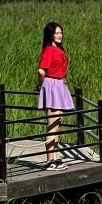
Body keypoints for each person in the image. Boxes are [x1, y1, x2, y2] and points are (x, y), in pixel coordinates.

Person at [36, 21, 74, 169]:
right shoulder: (49, 50)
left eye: (61, 33)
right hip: (52, 85)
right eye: (56, 33)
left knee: (57, 125)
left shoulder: (58, 50)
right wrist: (42, 84)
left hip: (59, 84)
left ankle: (55, 158)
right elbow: (41, 70)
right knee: (52, 125)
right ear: (50, 35)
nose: (60, 35)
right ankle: (50, 160)